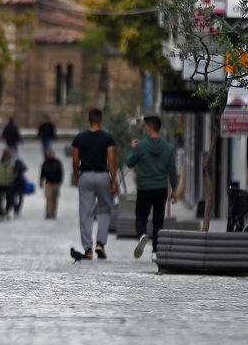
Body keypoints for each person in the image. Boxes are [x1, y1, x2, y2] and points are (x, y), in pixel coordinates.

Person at [127, 116, 178, 259]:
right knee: (158, 221)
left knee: (141, 217)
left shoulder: (140, 146)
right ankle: (155, 251)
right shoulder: (168, 147)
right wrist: (174, 190)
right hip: (161, 188)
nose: (144, 128)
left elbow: (130, 163)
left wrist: (133, 149)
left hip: (144, 188)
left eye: (145, 126)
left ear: (149, 127)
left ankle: (142, 234)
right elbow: (172, 170)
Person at [72, 108, 117, 259]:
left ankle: (88, 249)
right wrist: (113, 179)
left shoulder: (79, 138)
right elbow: (111, 160)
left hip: (85, 176)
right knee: (104, 210)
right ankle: (101, 244)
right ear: (101, 120)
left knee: (85, 213)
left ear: (89, 120)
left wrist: (76, 176)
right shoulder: (107, 138)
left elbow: (75, 159)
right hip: (102, 176)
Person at [0, 148, 17, 220]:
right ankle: (0, 213)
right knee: (0, 199)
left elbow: (16, 171)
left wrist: (14, 177)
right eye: (6, 154)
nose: (7, 156)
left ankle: (7, 211)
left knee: (10, 199)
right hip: (0, 183)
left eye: (8, 154)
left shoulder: (13, 163)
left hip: (9, 183)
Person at [39, 149, 64, 219]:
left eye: (52, 154)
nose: (51, 155)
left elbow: (61, 172)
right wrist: (41, 181)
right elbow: (42, 172)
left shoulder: (57, 162)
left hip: (56, 183)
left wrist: (60, 181)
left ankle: (54, 213)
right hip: (48, 183)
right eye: (50, 154)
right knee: (49, 198)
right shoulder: (45, 163)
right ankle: (48, 213)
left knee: (55, 198)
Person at [11, 153, 29, 217]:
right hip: (13, 183)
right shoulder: (10, 162)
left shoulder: (19, 162)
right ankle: (15, 208)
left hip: (20, 183)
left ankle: (18, 208)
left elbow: (25, 168)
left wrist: (20, 166)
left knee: (20, 198)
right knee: (13, 198)